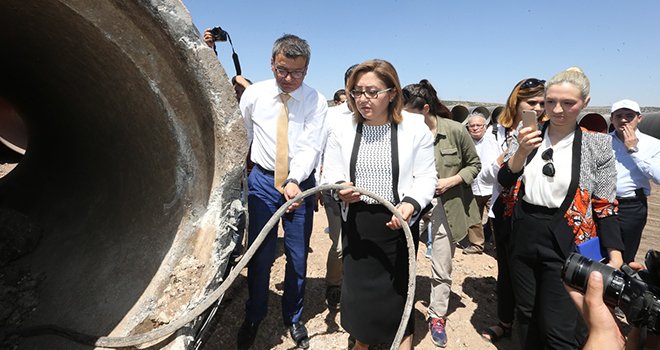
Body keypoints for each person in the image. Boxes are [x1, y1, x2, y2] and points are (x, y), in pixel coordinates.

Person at [498, 67, 624, 349]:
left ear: (585, 103)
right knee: (526, 313)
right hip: (525, 231)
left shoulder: (598, 145)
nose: (558, 110)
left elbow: (605, 203)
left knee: (559, 325)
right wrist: (520, 151)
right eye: (550, 102)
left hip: (568, 239)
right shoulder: (527, 134)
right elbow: (505, 179)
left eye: (569, 103)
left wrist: (615, 254)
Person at [321, 59, 436, 350]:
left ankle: (401, 340)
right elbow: (332, 170)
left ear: (392, 93)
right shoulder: (343, 128)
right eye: (357, 92)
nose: (363, 99)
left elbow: (426, 176)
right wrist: (340, 188)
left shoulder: (414, 128)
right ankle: (362, 340)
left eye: (372, 92)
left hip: (398, 225)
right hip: (358, 224)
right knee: (360, 293)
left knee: (397, 291)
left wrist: (410, 204)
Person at [238, 34, 327, 350]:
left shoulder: (316, 101)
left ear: (307, 69)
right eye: (282, 70)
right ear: (272, 64)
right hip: (262, 182)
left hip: (299, 186)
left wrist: (295, 180)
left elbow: (312, 145)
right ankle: (254, 314)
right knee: (259, 255)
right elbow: (243, 135)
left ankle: (293, 317)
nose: (289, 79)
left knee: (297, 256)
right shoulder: (254, 95)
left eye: (298, 73)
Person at [402, 79, 481, 347]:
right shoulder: (401, 131)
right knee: (403, 260)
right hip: (411, 205)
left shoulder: (455, 131)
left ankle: (437, 315)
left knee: (441, 263)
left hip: (446, 206)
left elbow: (474, 164)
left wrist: (452, 181)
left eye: (409, 113)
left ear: (425, 109)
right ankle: (401, 312)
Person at [480, 77, 546, 343]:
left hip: (536, 210)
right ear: (516, 103)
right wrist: (509, 153)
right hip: (505, 210)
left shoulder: (550, 131)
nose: (539, 108)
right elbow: (484, 178)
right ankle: (505, 321)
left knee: (537, 271)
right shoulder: (497, 134)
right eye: (532, 102)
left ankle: (532, 325)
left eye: (543, 102)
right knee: (506, 270)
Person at [317, 65, 357, 311]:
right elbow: (318, 152)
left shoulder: (377, 116)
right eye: (355, 88)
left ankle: (357, 286)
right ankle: (334, 284)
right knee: (340, 244)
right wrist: (319, 189)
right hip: (334, 193)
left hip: (366, 195)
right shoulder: (331, 116)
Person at [609, 99, 660, 263]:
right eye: (619, 116)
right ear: (612, 119)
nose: (623, 120)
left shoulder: (653, 144)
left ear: (639, 118)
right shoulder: (602, 141)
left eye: (629, 116)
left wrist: (633, 150)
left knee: (625, 254)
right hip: (602, 204)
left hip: (631, 207)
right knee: (599, 250)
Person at [466, 112, 500, 250]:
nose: (475, 128)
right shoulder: (466, 142)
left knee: (496, 218)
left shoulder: (494, 139)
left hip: (493, 187)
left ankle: (499, 247)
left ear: (485, 127)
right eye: (471, 126)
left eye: (478, 125)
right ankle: (476, 245)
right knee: (474, 217)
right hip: (473, 186)